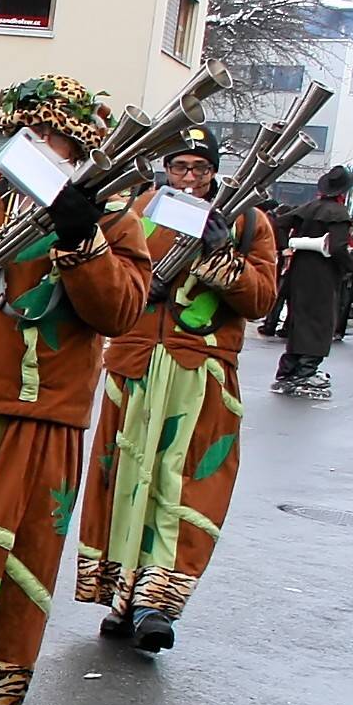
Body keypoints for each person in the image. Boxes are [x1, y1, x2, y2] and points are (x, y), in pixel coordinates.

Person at [0, 77, 154, 705]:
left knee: (11, 573)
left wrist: (81, 237)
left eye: (55, 137)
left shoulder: (110, 216)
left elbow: (120, 311)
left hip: (40, 416)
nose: (39, 146)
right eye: (28, 132)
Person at [74, 127, 280, 652]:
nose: (189, 178)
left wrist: (221, 255)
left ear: (214, 171)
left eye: (200, 168)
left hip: (200, 369)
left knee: (184, 486)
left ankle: (157, 603)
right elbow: (107, 274)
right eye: (180, 167)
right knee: (123, 482)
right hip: (135, 364)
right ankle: (122, 597)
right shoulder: (137, 208)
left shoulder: (247, 219)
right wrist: (142, 286)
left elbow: (262, 299)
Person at [273, 167, 353, 398]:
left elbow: (280, 222)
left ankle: (288, 371)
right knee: (321, 323)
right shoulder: (338, 212)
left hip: (299, 272)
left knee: (299, 320)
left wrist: (285, 247)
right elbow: (338, 248)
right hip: (322, 275)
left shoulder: (310, 207)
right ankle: (306, 371)